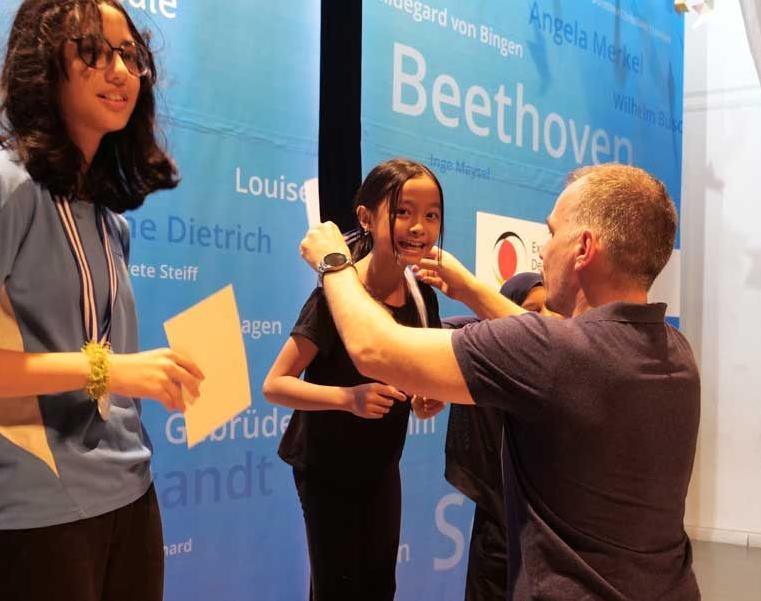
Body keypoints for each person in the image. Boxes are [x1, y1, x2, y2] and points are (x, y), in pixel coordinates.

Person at [0, 0, 203, 601]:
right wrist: (107, 370)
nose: (120, 71)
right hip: (30, 513)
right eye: (93, 51)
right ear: (44, 67)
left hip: (128, 494)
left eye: (129, 54)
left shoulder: (105, 214)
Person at [299, 163, 701, 600]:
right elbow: (555, 345)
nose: (544, 252)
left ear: (583, 247)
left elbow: (374, 349)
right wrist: (470, 288)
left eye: (552, 234)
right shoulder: (676, 354)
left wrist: (334, 263)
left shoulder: (550, 353)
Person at [263, 158, 447, 600]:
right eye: (403, 211)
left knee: (379, 585)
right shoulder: (337, 295)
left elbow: (425, 373)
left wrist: (427, 397)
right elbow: (275, 385)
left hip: (381, 467)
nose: (418, 227)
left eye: (431, 214)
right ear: (365, 217)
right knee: (336, 588)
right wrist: (350, 398)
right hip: (325, 469)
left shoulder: (422, 297)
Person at [441, 272, 547, 601]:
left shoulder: (563, 366)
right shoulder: (492, 361)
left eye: (549, 310)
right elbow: (446, 327)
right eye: (532, 310)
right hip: (499, 534)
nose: (541, 321)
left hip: (547, 539)